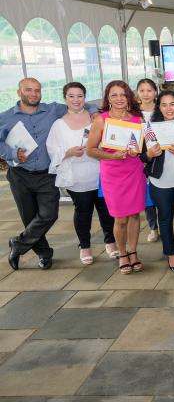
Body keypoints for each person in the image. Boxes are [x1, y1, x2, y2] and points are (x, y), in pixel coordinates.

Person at [2, 77, 98, 270]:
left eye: (37, 90)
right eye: (28, 90)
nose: (33, 94)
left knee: (49, 214)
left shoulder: (53, 109)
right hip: (20, 174)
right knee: (29, 217)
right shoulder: (5, 117)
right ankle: (44, 254)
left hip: (46, 174)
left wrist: (95, 113)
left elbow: (80, 102)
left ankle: (19, 243)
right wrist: (12, 153)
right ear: (19, 92)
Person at [46, 82, 115, 265]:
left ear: (85, 97)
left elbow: (109, 140)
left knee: (106, 210)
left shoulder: (96, 119)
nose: (76, 100)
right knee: (83, 211)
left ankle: (111, 241)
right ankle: (84, 246)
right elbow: (52, 149)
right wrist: (68, 152)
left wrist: (96, 148)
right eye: (71, 96)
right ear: (65, 98)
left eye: (80, 96)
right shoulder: (58, 125)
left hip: (100, 172)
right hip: (77, 175)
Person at [86, 81, 146, 275]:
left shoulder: (138, 119)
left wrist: (139, 150)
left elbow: (143, 147)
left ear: (129, 97)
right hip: (112, 172)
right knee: (120, 218)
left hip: (134, 170)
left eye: (123, 94)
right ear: (108, 98)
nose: (119, 98)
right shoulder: (101, 120)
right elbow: (91, 150)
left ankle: (133, 251)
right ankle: (122, 253)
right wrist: (112, 155)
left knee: (135, 214)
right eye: (114, 95)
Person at [142, 90, 174, 272]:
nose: (168, 108)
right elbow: (143, 157)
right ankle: (171, 253)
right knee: (165, 218)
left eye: (172, 104)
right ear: (159, 107)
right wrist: (149, 154)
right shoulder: (151, 128)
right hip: (160, 182)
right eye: (164, 104)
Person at [137, 78, 159, 243]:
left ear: (155, 92)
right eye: (142, 90)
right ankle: (153, 227)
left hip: (162, 157)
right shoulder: (133, 113)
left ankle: (164, 225)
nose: (146, 94)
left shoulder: (162, 110)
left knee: (163, 196)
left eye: (149, 90)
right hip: (142, 159)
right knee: (148, 197)